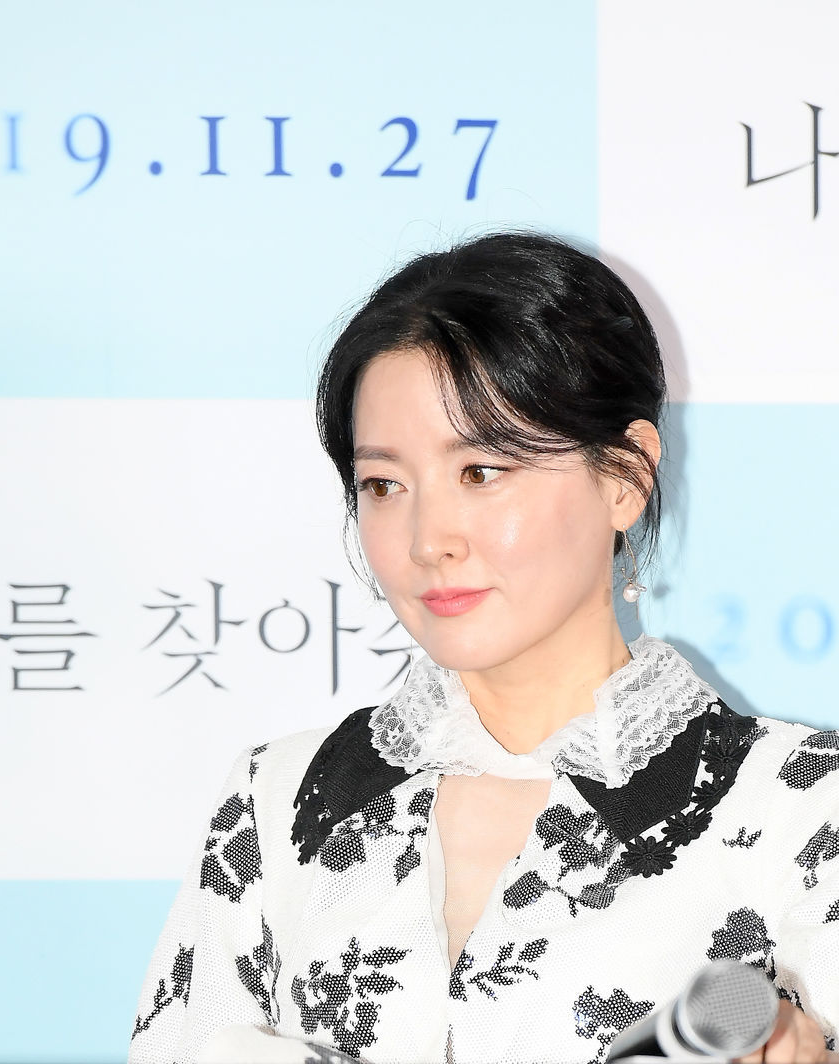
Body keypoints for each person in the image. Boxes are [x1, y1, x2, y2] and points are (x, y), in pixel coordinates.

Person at [128, 233, 839, 1063]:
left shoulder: (803, 808)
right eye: (384, 485)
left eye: (481, 472)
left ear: (625, 476)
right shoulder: (274, 798)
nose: (428, 539)